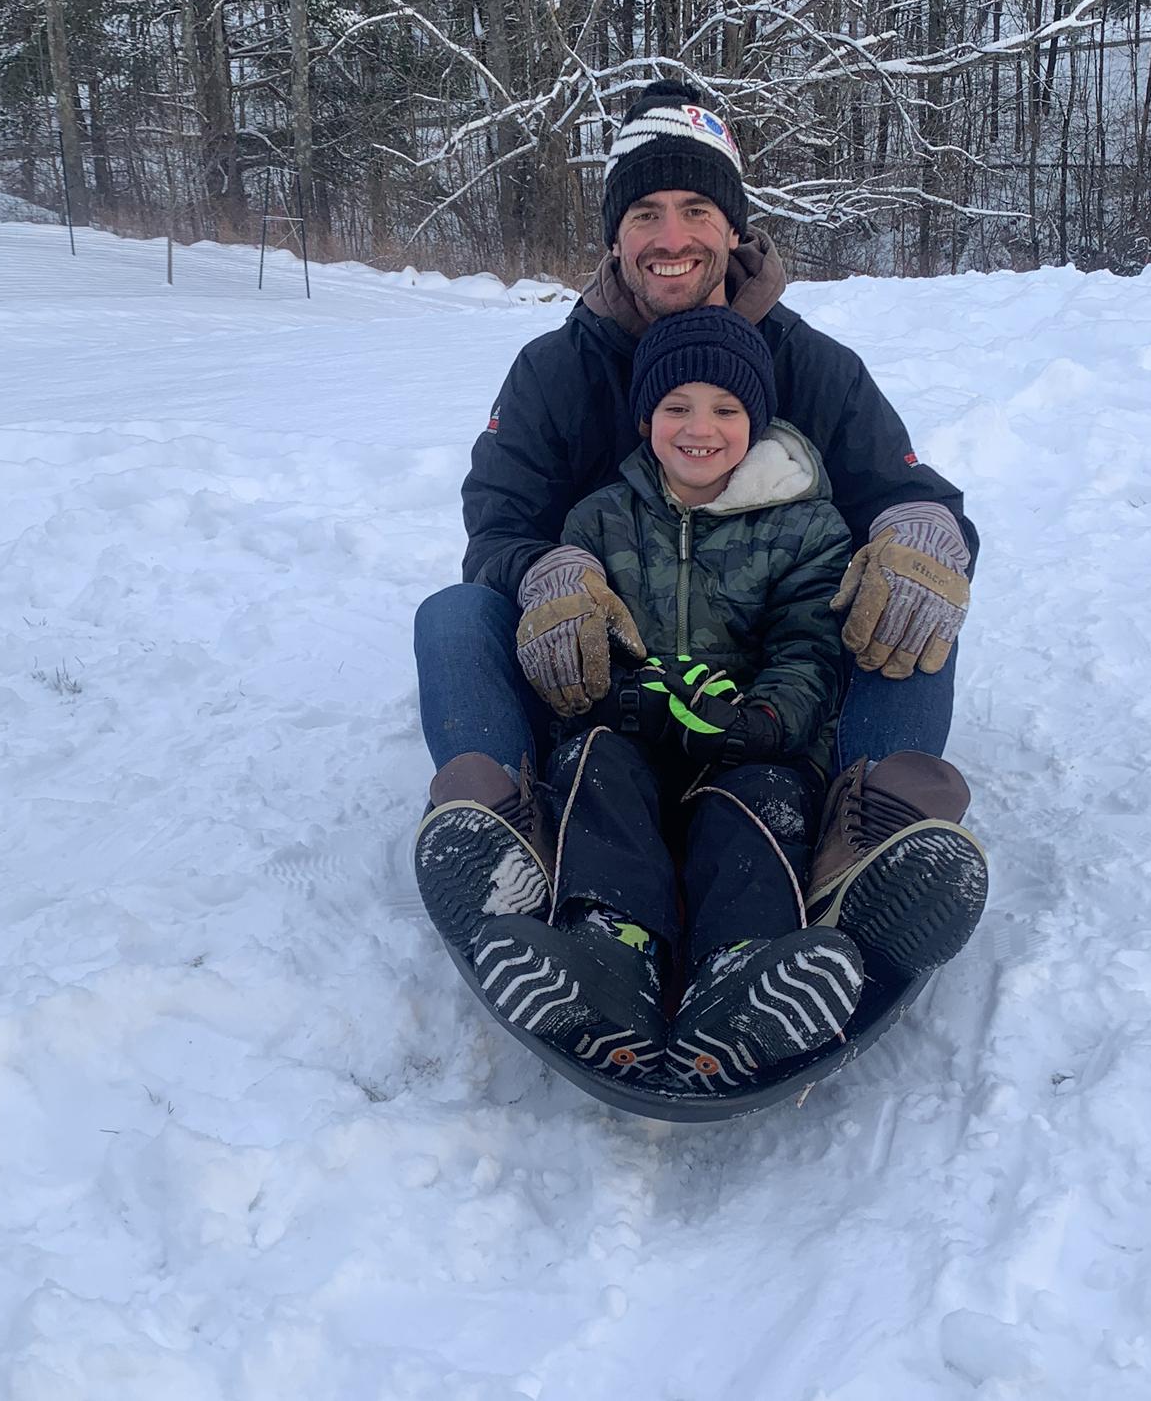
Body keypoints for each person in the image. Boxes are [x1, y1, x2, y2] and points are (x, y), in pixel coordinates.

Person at [412, 78, 986, 1078]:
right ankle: (507, 835)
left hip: (767, 691)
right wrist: (552, 568)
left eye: (695, 211)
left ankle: (870, 846)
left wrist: (920, 525)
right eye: (644, 213)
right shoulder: (557, 373)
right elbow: (495, 528)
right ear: (614, 237)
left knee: (908, 596)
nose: (670, 237)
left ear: (734, 229)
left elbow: (899, 487)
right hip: (604, 690)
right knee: (453, 616)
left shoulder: (809, 362)